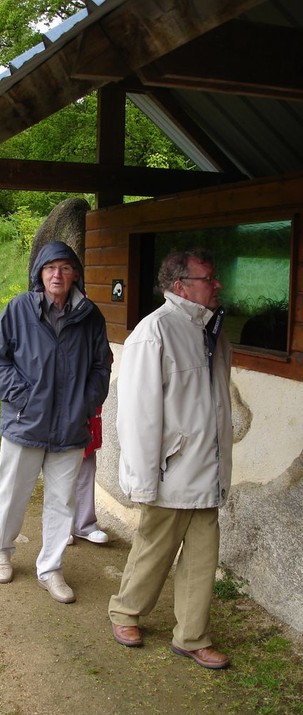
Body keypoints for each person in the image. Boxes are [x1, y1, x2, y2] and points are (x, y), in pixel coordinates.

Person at [108, 247, 232, 670]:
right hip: (172, 470)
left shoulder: (213, 329)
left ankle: (192, 636)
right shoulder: (154, 331)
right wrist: (142, 479)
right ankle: (125, 612)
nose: (217, 285)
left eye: (215, 278)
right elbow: (138, 415)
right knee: (155, 549)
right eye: (208, 279)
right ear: (180, 286)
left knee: (202, 557)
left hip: (208, 468)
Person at [0, 241, 111, 604]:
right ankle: (2, 551)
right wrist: (23, 397)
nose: (57, 274)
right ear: (39, 272)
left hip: (70, 425)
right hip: (26, 423)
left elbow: (102, 366)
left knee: (62, 501)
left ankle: (50, 568)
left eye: (65, 268)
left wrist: (87, 403)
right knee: (12, 494)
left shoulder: (90, 316)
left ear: (75, 275)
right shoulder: (19, 310)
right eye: (50, 267)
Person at [71, 408, 108, 545]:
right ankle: (61, 526)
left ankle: (84, 524)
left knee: (87, 467)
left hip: (87, 408)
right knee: (60, 471)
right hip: (60, 406)